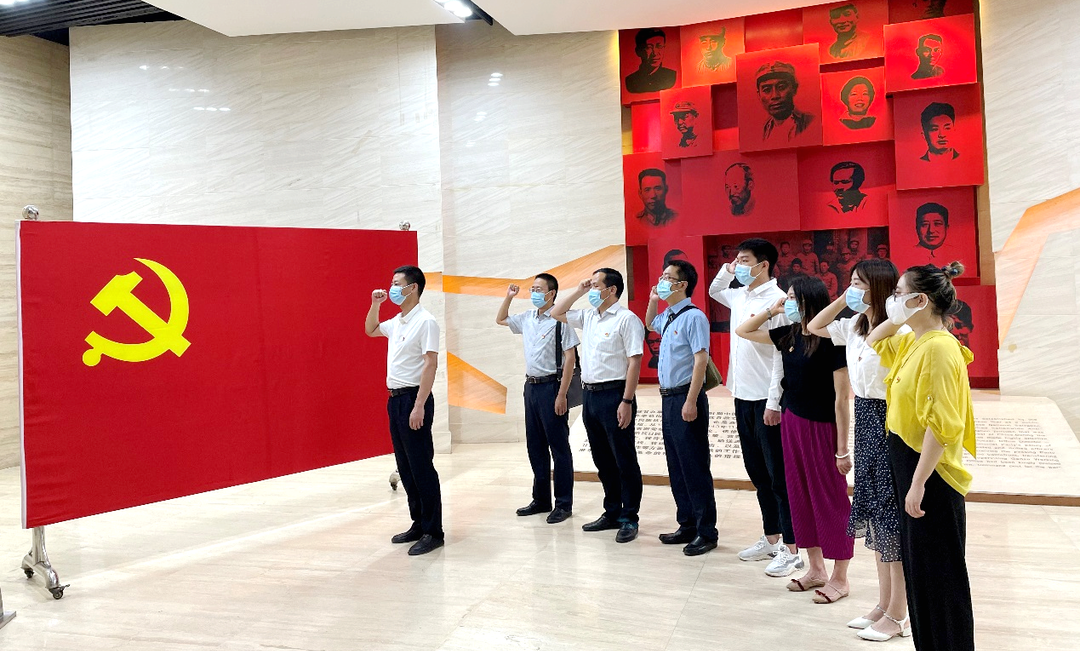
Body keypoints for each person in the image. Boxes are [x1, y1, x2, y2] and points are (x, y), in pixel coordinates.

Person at [866, 262, 976, 651]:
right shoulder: (915, 341)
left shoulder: (940, 348)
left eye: (899, 294)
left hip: (930, 475)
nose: (892, 300)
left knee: (941, 576)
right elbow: (874, 340)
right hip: (908, 465)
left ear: (921, 300)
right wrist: (898, 316)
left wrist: (918, 483)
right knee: (921, 574)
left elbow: (943, 425)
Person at [807, 259, 910, 642]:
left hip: (888, 419)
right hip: (865, 417)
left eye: (859, 284)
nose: (852, 289)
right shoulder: (854, 325)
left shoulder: (896, 329)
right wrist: (842, 298)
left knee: (890, 521)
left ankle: (899, 613)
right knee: (876, 518)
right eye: (850, 282)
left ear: (878, 288)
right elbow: (814, 326)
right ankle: (883, 604)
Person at [735, 276, 854, 604]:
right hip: (791, 423)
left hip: (822, 428)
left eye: (791, 298)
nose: (787, 302)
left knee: (830, 500)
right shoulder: (787, 334)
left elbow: (842, 399)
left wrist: (842, 449)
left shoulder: (832, 339)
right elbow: (744, 331)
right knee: (799, 496)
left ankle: (840, 577)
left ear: (809, 300)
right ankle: (816, 569)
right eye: (785, 298)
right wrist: (772, 311)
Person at [708, 239, 802, 577]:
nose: (738, 265)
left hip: (768, 399)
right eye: (736, 259)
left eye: (744, 260)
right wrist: (728, 268)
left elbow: (780, 355)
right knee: (758, 473)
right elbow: (714, 289)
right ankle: (772, 537)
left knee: (779, 477)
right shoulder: (739, 295)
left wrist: (774, 402)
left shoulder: (778, 301)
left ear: (764, 265)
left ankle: (792, 548)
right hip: (742, 396)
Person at [551, 268, 645, 543]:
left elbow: (634, 362)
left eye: (595, 285)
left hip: (615, 394)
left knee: (623, 459)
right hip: (590, 395)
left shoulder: (627, 319)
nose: (591, 289)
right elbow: (556, 312)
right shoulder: (589, 315)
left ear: (611, 289)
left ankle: (629, 517)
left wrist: (627, 400)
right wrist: (579, 290)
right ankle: (612, 511)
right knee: (602, 459)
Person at [365, 265, 444, 556]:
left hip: (414, 398)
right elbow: (371, 329)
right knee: (406, 466)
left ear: (413, 288)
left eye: (397, 283)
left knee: (421, 466)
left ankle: (434, 531)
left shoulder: (426, 322)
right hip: (395, 399)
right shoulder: (397, 321)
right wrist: (375, 304)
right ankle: (418, 523)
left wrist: (419, 405)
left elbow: (430, 364)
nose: (392, 288)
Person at [645, 260, 718, 556]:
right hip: (668, 398)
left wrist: (690, 400)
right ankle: (686, 524)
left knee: (694, 465)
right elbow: (650, 323)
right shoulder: (668, 315)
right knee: (676, 465)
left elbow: (701, 360)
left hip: (686, 397)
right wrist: (653, 299)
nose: (661, 281)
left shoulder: (694, 317)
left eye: (667, 277)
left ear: (682, 284)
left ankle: (706, 531)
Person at [496, 274, 580, 525]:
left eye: (538, 289)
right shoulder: (527, 318)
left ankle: (563, 503)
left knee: (558, 447)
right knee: (535, 446)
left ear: (551, 294)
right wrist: (509, 297)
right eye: (532, 289)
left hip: (551, 387)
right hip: (530, 387)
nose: (534, 293)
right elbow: (500, 319)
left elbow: (570, 359)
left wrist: (562, 394)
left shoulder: (560, 320)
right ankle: (541, 499)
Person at [756, 61, 815, 143]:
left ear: (794, 88)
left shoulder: (810, 122)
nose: (775, 96)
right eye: (767, 90)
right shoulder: (764, 129)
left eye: (781, 87)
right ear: (759, 95)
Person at [625, 28, 677, 93]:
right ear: (638, 51)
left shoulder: (671, 75)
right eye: (649, 47)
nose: (655, 53)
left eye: (659, 46)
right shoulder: (631, 81)